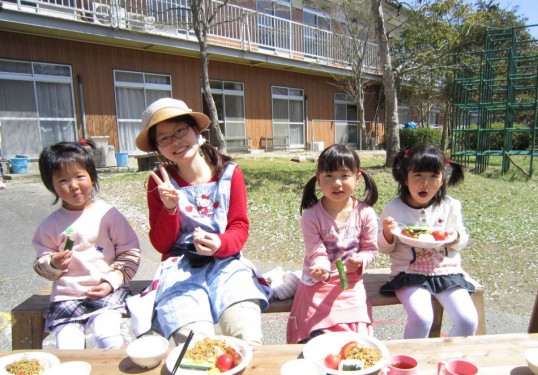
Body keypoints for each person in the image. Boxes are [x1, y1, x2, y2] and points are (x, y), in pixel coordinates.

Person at [135, 97, 271, 346]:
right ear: (158, 147)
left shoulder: (230, 174)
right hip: (179, 269)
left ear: (196, 131)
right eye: (164, 138)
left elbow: (239, 227)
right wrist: (169, 208)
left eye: (180, 131)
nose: (175, 141)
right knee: (196, 345)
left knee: (246, 334)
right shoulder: (160, 183)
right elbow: (162, 244)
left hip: (226, 264)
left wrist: (220, 243)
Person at [32, 141, 141, 349]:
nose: (73, 185)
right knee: (67, 347)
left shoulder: (108, 214)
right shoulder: (50, 225)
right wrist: (53, 264)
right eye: (62, 180)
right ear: (51, 186)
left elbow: (130, 251)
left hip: (106, 290)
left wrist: (111, 281)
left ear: (92, 176)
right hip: (67, 296)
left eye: (79, 176)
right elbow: (41, 263)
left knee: (107, 337)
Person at [378, 145, 478, 339]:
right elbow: (383, 248)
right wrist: (388, 234)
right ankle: (410, 362)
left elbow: (462, 239)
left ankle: (449, 360)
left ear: (443, 179)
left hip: (447, 271)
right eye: (418, 175)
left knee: (468, 320)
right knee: (422, 318)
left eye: (433, 176)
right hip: (408, 273)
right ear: (404, 177)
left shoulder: (450, 206)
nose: (425, 183)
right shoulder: (394, 208)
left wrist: (455, 237)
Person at [287, 144, 379, 345]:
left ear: (357, 177)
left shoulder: (365, 213)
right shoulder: (311, 216)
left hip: (351, 283)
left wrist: (360, 259)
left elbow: (370, 249)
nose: (337, 183)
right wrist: (320, 268)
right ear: (318, 177)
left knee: (355, 340)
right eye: (329, 176)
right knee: (316, 335)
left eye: (345, 175)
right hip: (318, 282)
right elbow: (316, 251)